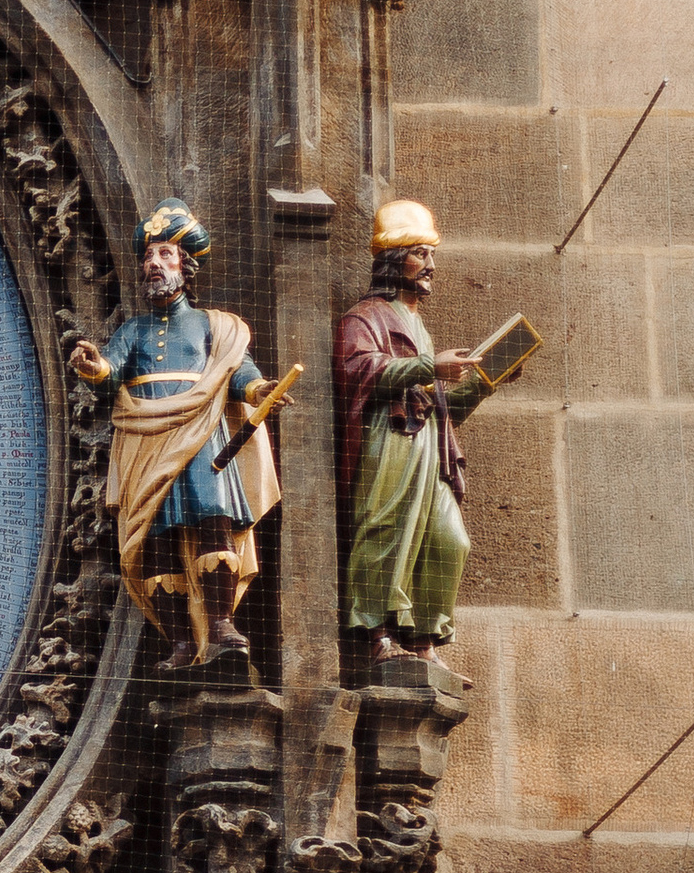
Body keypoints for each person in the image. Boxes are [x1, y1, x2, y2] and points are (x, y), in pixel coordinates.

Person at [71, 199, 286, 671]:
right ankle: (182, 641)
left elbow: (236, 368)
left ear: (186, 267)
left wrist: (258, 387)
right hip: (147, 437)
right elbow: (112, 373)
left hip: (200, 432)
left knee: (215, 520)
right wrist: (95, 368)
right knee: (156, 537)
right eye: (148, 257)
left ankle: (222, 624)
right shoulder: (134, 330)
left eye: (164, 255)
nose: (153, 265)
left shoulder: (214, 325)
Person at [337, 195, 485, 659]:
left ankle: (423, 639)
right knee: (385, 528)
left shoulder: (419, 326)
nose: (430, 265)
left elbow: (439, 405)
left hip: (427, 444)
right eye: (421, 254)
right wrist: (427, 367)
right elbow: (358, 370)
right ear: (394, 260)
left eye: (432, 254)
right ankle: (375, 633)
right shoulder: (364, 317)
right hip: (388, 440)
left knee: (449, 541)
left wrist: (485, 384)